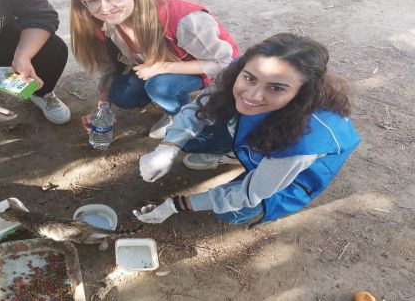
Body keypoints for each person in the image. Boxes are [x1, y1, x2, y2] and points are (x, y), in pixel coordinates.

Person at [134, 33, 360, 225]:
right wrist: (168, 148)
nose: (252, 95)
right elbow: (199, 107)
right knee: (191, 139)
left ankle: (247, 160)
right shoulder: (243, 70)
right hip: (260, 132)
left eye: (276, 87)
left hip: (295, 174)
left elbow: (251, 193)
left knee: (229, 212)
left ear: (301, 94)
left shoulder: (305, 141)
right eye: (250, 78)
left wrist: (175, 205)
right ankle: (237, 154)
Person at [70, 0, 238, 139]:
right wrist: (102, 105)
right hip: (151, 66)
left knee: (160, 87)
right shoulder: (100, 23)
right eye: (92, 0)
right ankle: (164, 97)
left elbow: (226, 63)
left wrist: (161, 68)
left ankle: (177, 114)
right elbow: (108, 67)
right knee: (121, 95)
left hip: (202, 67)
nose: (104, 8)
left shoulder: (182, 18)